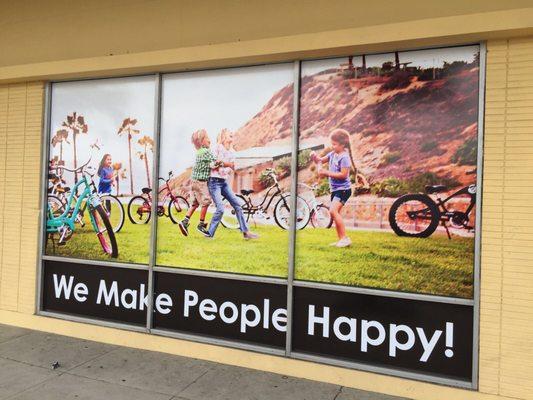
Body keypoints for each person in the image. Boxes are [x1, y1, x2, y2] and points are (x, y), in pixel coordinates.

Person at [207, 129, 259, 240]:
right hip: (214, 182)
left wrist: (222, 163)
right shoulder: (217, 148)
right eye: (229, 134)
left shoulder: (232, 151)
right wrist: (225, 164)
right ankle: (209, 234)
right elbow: (212, 165)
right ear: (224, 136)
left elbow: (233, 167)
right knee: (220, 208)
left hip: (223, 182)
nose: (232, 135)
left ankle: (246, 232)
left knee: (237, 205)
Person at [311, 128, 355, 248]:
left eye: (334, 144)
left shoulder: (344, 157)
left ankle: (345, 238)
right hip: (335, 189)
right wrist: (315, 158)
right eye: (332, 144)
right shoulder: (332, 154)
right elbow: (320, 160)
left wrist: (326, 172)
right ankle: (341, 239)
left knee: (332, 211)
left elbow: (343, 175)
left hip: (343, 190)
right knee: (335, 214)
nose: (332, 146)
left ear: (342, 144)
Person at [178, 129, 215, 237]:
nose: (210, 140)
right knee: (206, 201)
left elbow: (208, 164)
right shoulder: (207, 152)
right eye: (207, 138)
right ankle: (201, 224)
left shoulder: (198, 152)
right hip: (200, 182)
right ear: (202, 141)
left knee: (195, 203)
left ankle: (185, 221)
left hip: (193, 181)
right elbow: (215, 161)